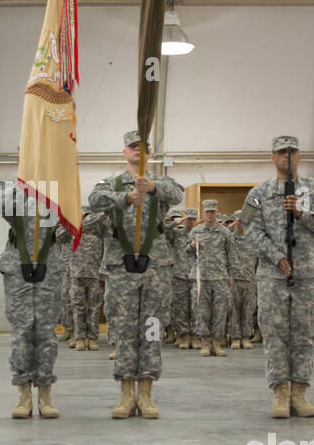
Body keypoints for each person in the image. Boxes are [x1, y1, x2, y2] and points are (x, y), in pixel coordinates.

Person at [88, 130, 184, 419]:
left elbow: (178, 194)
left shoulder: (161, 182)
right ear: (124, 151)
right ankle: (126, 392)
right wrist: (125, 197)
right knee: (123, 328)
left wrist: (152, 188)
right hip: (121, 267)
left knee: (152, 328)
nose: (136, 151)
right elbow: (94, 200)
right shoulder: (112, 183)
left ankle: (147, 391)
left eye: (141, 147)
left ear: (149, 152)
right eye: (132, 146)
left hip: (154, 266)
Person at [243, 135, 314, 418]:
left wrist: (303, 213)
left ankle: (299, 392)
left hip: (308, 274)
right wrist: (278, 258)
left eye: (292, 152)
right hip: (272, 277)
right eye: (281, 152)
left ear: (300, 157)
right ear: (271, 157)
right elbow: (250, 232)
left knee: (304, 334)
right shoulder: (257, 194)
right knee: (274, 334)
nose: (287, 156)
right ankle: (280, 394)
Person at [0, 180, 65, 419]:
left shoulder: (59, 187)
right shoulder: (9, 188)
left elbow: (69, 221)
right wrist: (26, 189)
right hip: (17, 267)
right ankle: (23, 396)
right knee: (21, 331)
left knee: (46, 332)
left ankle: (45, 394)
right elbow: (3, 207)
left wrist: (51, 189)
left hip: (49, 266)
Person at [190, 199, 235, 357]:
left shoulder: (225, 232)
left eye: (212, 212)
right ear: (203, 213)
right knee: (202, 311)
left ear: (217, 213)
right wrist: (191, 246)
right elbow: (186, 252)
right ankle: (205, 342)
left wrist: (231, 275)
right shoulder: (196, 231)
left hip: (220, 277)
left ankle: (217, 342)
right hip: (201, 277)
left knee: (220, 311)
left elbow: (231, 255)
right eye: (207, 212)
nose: (210, 215)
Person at [69, 206, 106, 351]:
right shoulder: (71, 231)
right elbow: (59, 236)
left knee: (94, 308)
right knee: (78, 307)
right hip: (77, 274)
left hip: (94, 275)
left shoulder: (100, 235)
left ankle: (92, 338)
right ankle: (79, 337)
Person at [170, 208, 200, 349]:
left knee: (195, 308)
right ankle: (183, 335)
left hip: (195, 276)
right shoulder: (176, 234)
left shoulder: (200, 234)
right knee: (180, 308)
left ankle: (194, 335)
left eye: (193, 219)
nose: (190, 222)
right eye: (188, 219)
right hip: (179, 275)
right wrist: (176, 222)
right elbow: (161, 230)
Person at [228, 215, 258, 349]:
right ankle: (235, 337)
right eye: (239, 222)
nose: (242, 225)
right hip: (234, 279)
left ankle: (246, 337)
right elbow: (221, 233)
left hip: (250, 279)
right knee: (233, 310)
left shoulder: (253, 239)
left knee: (248, 310)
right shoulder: (230, 238)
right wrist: (232, 226)